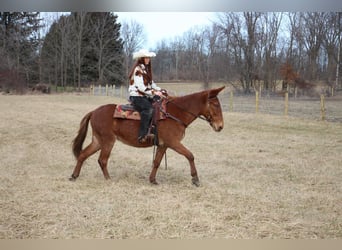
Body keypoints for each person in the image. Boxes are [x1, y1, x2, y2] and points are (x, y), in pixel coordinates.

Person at [128, 49, 164, 143]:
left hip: (144, 95)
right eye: (146, 58)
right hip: (136, 96)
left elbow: (151, 84)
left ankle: (154, 129)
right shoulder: (138, 70)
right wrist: (154, 93)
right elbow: (140, 87)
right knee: (148, 109)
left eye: (149, 58)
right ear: (141, 58)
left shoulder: (145, 70)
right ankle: (142, 134)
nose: (148, 59)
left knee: (158, 105)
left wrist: (160, 90)